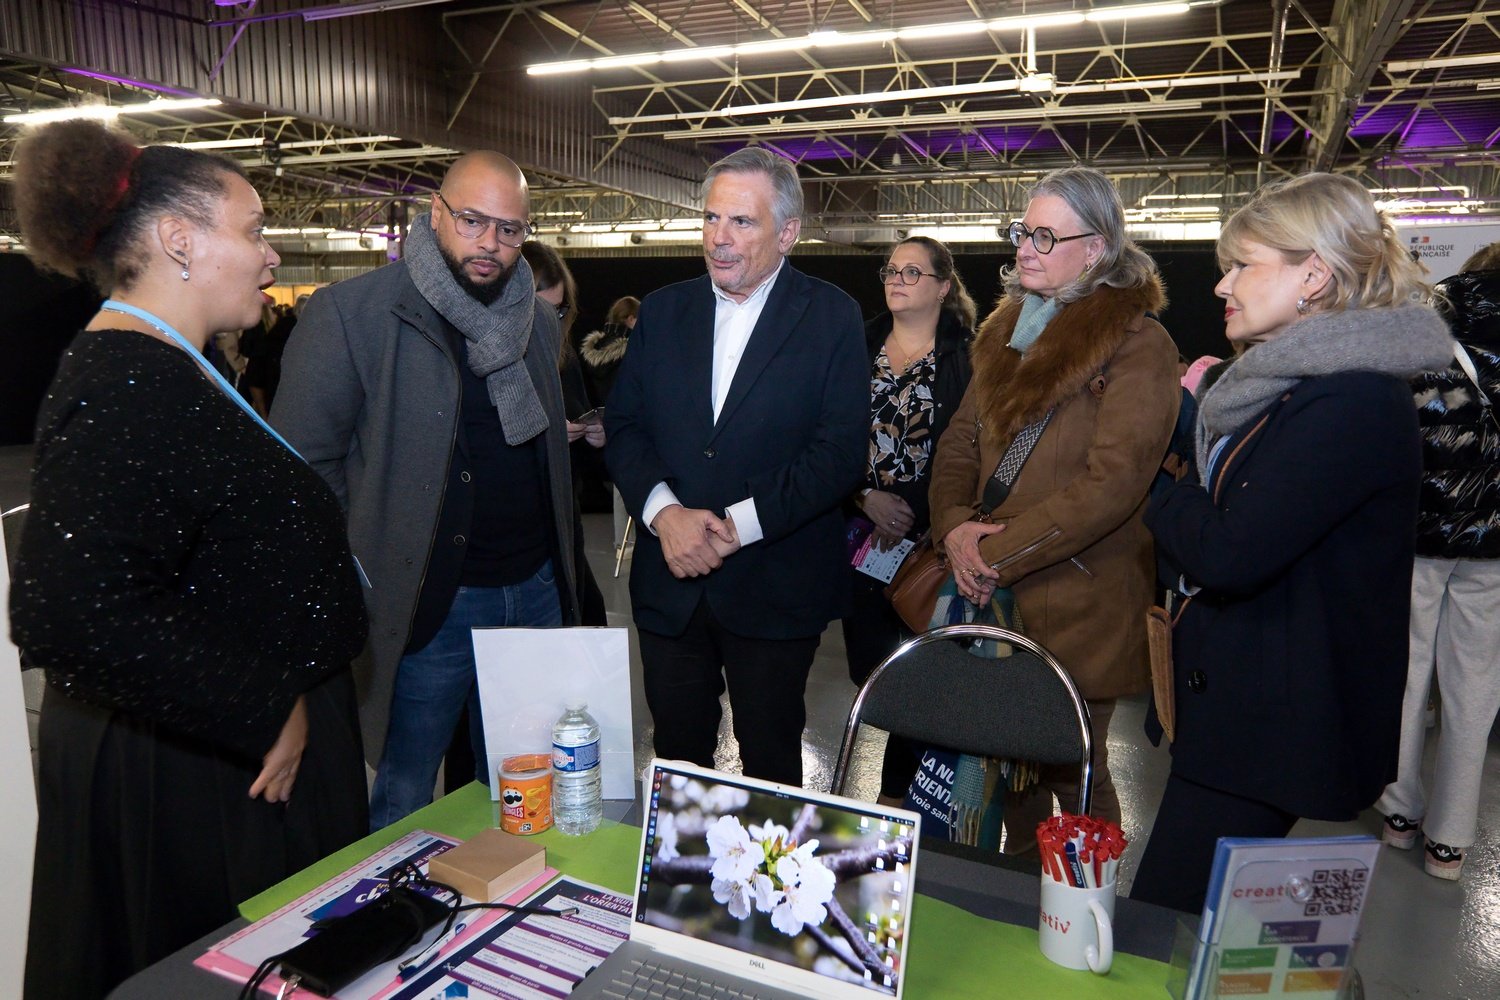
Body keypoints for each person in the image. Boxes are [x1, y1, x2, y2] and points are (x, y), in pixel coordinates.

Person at [9, 119, 368, 999]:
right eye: (253, 230)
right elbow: (68, 610)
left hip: (232, 759)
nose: (271, 256)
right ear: (179, 239)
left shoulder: (178, 367)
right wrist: (260, 706)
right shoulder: (125, 383)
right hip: (204, 774)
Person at [1131, 173, 1454, 913]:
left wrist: (1160, 490)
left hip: (1272, 724)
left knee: (1162, 923)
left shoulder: (1354, 397)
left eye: (1243, 265)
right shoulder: (1286, 385)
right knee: (1185, 926)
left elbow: (1229, 552)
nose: (1222, 285)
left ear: (1313, 275)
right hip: (1246, 707)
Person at [273, 151, 585, 829]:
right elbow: (303, 473)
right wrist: (361, 571)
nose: (490, 243)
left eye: (509, 229)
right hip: (425, 606)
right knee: (403, 794)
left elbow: (547, 461)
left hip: (532, 591)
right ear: (435, 212)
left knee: (527, 789)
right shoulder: (353, 315)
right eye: (472, 220)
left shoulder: (537, 321)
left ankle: (510, 891)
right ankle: (396, 896)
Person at [927, 166, 1179, 851]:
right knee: (1012, 776)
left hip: (1078, 595)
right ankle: (1018, 899)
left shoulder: (1139, 345)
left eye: (1044, 236)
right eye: (1021, 231)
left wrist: (988, 553)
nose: (1024, 248)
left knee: (1076, 772)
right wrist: (952, 527)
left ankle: (1083, 905)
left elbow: (1113, 484)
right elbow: (959, 442)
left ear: (1095, 249)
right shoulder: (1006, 329)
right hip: (989, 591)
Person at [605, 147, 867, 786]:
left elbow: (838, 455)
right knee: (677, 767)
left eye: (742, 222)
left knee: (771, 768)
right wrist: (665, 514)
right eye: (711, 218)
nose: (718, 238)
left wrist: (735, 527)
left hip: (775, 586)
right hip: (671, 584)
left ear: (788, 232)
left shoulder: (831, 316)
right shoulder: (663, 311)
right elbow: (625, 426)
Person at [1376, 242, 1500, 881]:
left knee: (1406, 670)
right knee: (1474, 686)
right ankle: (1449, 841)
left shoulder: (1427, 325)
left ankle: (1399, 813)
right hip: (1496, 545)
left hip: (1418, 531)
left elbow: (1398, 424)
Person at [845, 236, 975, 802]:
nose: (896, 280)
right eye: (891, 270)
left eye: (912, 272)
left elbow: (972, 450)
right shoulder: (854, 345)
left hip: (931, 536)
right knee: (870, 668)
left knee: (922, 668)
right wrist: (863, 497)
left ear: (943, 287)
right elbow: (824, 431)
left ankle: (897, 796)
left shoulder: (968, 356)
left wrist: (920, 515)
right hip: (858, 529)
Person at [581, 295, 639, 404]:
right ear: (631, 319)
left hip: (599, 411)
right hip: (627, 410)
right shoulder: (633, 350)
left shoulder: (596, 346)